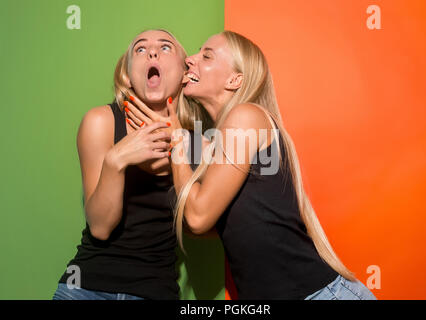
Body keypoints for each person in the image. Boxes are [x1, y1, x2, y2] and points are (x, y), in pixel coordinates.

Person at [166, 30, 377, 300]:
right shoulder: (216, 143)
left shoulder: (247, 116)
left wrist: (176, 144)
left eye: (206, 55)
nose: (190, 60)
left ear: (235, 79)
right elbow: (214, 227)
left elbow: (196, 218)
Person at [53, 29, 210, 300]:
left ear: (184, 72)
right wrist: (116, 160)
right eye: (140, 49)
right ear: (127, 75)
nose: (151, 51)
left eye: (165, 47)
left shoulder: (201, 144)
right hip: (85, 288)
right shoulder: (100, 122)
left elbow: (203, 227)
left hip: (155, 290)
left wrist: (177, 148)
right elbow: (101, 228)